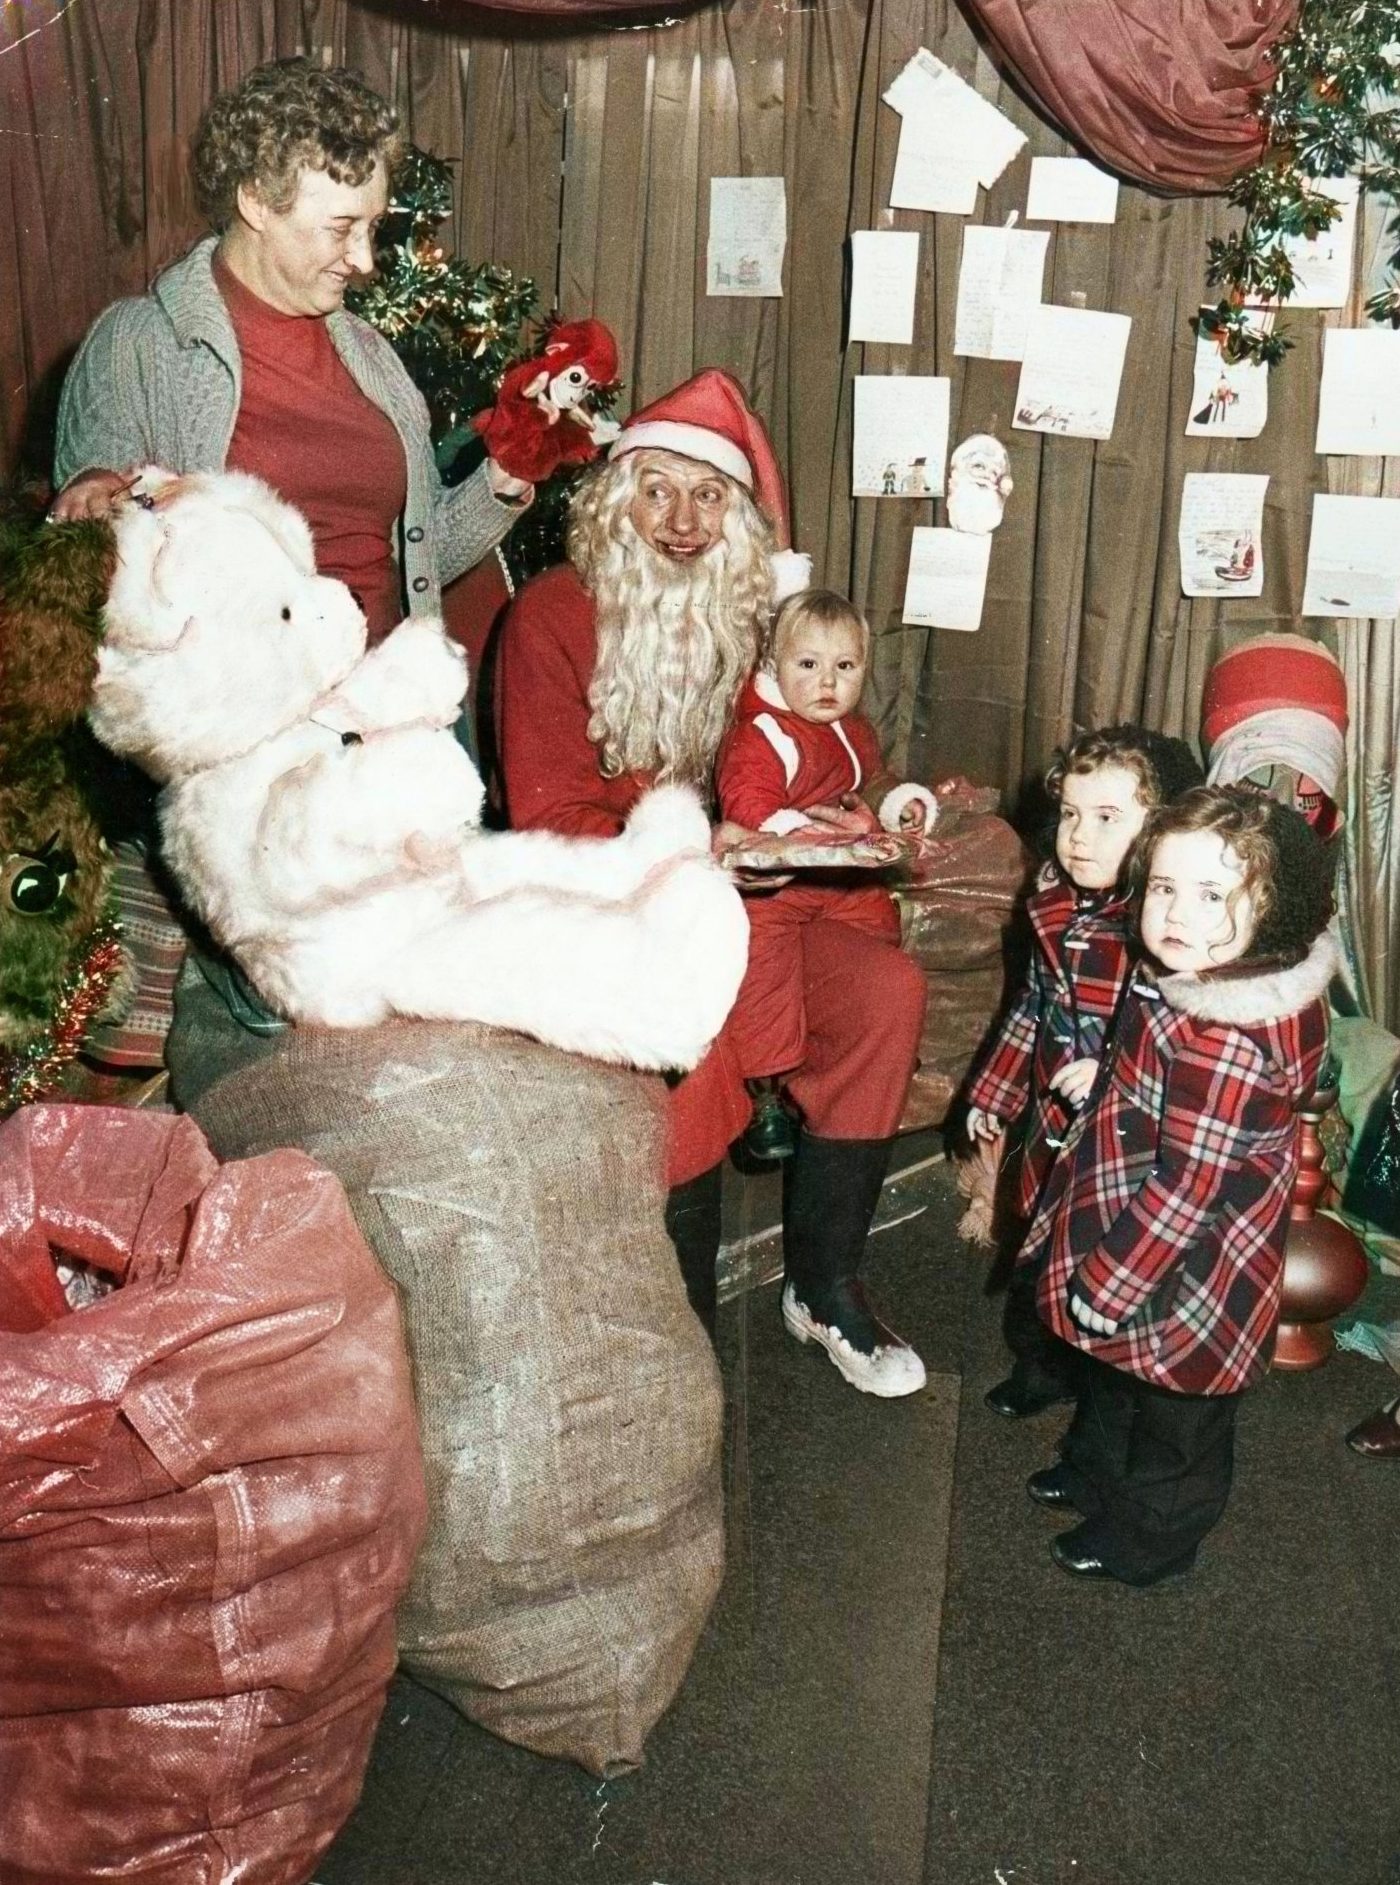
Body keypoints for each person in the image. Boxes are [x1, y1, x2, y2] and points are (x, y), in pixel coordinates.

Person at [48, 58, 531, 1064]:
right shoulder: (142, 345)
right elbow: (91, 556)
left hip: (394, 724)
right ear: (254, 202)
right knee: (323, 1015)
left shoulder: (370, 360)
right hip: (259, 749)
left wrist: (502, 483)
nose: (362, 262)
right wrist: (104, 505)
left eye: (373, 226)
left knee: (470, 987)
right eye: (338, 229)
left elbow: (416, 563)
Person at [495, 368, 930, 1396]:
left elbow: (823, 746)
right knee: (682, 1056)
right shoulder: (552, 620)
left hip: (760, 909)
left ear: (738, 520)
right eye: (657, 490)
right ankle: (679, 1339)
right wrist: (706, 847)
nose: (681, 522)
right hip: (620, 914)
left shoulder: (751, 623)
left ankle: (822, 1285)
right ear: (614, 499)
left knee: (882, 997)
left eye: (708, 497)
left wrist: (851, 812)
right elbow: (548, 824)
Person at [1020, 786, 1335, 1586]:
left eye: (1211, 894)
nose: (1176, 914)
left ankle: (1153, 1534)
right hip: (1141, 1221)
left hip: (1187, 1257)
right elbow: (1156, 1061)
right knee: (1117, 1371)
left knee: (1176, 1416)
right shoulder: (1195, 974)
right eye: (1163, 887)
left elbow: (1190, 1183)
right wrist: (1113, 1075)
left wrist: (1108, 1282)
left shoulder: (1228, 1036)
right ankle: (1096, 1472)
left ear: (1275, 905)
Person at [966, 726, 1204, 1420]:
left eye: (1107, 818)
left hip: (1127, 1137)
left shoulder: (1160, 930)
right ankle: (1043, 1366)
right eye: (1070, 813)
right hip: (1055, 1119)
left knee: (1099, 1257)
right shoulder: (1054, 905)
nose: (1079, 836)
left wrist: (1109, 1073)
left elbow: (1179, 1046)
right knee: (1038, 1246)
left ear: (1160, 831)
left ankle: (1102, 1403)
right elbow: (1033, 1008)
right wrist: (994, 1091)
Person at [714, 587, 936, 1161]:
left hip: (839, 880)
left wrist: (896, 805)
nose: (827, 684)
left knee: (881, 920)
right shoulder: (762, 734)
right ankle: (764, 1088)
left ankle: (865, 1039)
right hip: (779, 887)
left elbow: (871, 780)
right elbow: (750, 812)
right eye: (808, 666)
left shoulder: (853, 729)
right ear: (774, 665)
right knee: (761, 965)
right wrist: (812, 834)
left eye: (845, 667)